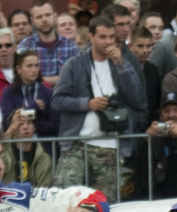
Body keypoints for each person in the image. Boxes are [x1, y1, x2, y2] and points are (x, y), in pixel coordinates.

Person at [51, 16, 146, 199]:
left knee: (105, 204)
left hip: (110, 145)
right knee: (63, 196)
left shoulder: (122, 63)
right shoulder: (74, 64)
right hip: (77, 144)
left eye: (111, 37)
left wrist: (121, 66)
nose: (108, 42)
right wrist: (87, 104)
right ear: (91, 37)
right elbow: (57, 100)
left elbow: (136, 98)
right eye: (102, 37)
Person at [0, 49, 58, 142]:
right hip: (17, 146)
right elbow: (7, 123)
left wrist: (32, 125)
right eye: (29, 66)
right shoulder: (9, 92)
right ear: (18, 69)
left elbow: (56, 125)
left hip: (44, 146)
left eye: (36, 65)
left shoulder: (47, 93)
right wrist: (33, 107)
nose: (34, 70)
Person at [17, 0, 77, 88]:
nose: (44, 20)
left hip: (64, 95)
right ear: (32, 21)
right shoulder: (25, 46)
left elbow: (76, 77)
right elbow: (22, 78)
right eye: (39, 17)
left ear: (55, 16)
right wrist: (61, 79)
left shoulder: (70, 46)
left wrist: (40, 80)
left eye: (48, 15)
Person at [0, 110, 53, 186]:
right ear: (12, 128)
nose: (25, 127)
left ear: (34, 128)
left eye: (29, 123)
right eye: (20, 124)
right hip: (7, 193)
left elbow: (45, 187)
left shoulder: (43, 158)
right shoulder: (4, 153)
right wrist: (9, 131)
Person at [130, 27, 161, 116]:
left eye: (148, 46)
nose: (145, 51)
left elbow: (156, 100)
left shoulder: (153, 70)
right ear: (130, 46)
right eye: (140, 46)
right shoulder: (124, 69)